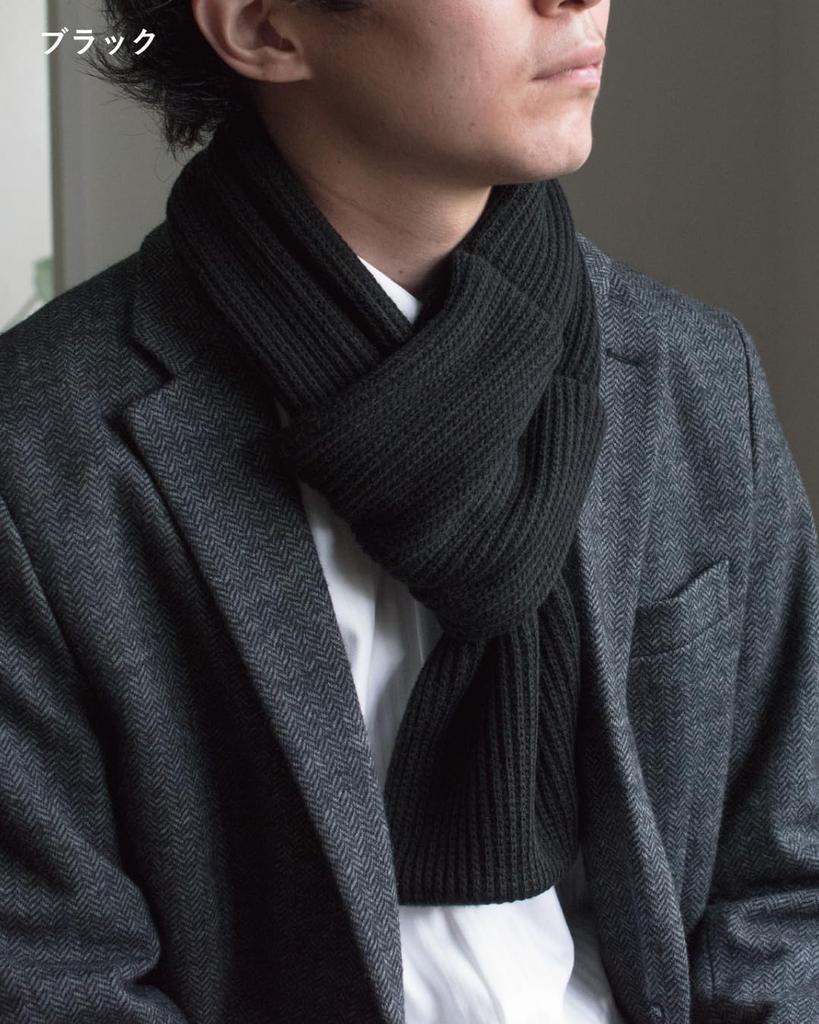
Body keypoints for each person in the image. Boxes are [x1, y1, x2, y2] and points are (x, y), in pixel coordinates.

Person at [1, 0, 817, 1021]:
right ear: (263, 28)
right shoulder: (42, 454)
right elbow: (53, 975)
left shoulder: (690, 377)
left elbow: (786, 875)